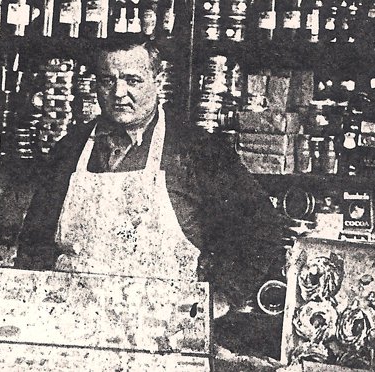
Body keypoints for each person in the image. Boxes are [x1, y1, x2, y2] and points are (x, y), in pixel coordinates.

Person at [16, 35, 287, 314]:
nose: (118, 92)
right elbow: (34, 241)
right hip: (76, 319)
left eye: (132, 80)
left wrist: (223, 294)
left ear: (157, 81)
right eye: (108, 80)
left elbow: (261, 226)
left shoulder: (198, 149)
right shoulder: (70, 149)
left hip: (166, 324)